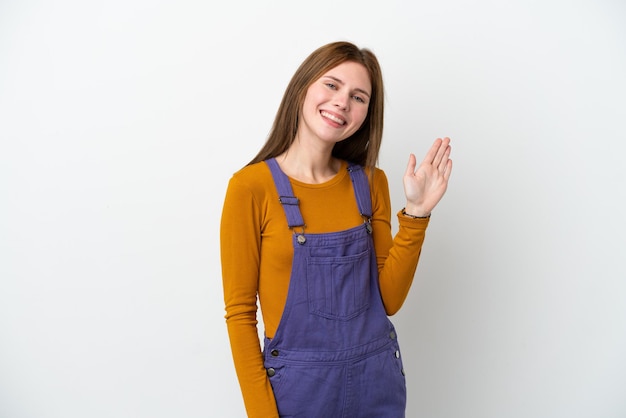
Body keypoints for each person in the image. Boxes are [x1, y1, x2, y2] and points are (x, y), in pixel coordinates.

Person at [220, 41, 452, 418]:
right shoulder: (250, 188)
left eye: (358, 97)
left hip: (376, 384)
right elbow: (241, 314)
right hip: (297, 395)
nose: (343, 102)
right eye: (332, 85)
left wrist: (417, 213)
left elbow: (388, 300)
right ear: (303, 88)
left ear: (365, 115)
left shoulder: (372, 183)